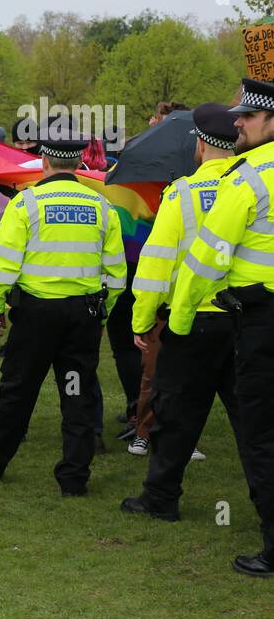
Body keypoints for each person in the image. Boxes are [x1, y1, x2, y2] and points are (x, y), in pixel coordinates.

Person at [0, 134, 126, 496]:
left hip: (36, 316)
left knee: (17, 390)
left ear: (44, 164)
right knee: (76, 393)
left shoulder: (26, 204)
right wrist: (102, 313)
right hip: (82, 315)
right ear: (80, 165)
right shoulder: (101, 206)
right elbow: (116, 272)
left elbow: (1, 264)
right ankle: (74, 476)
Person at [167, 77, 274, 577]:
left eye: (248, 117)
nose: (238, 123)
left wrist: (181, 318)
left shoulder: (247, 177)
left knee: (260, 433)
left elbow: (205, 260)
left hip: (259, 322)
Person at [121, 104, 238, 520]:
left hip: (192, 323)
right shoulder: (260, 186)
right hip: (249, 320)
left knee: (174, 414)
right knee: (255, 423)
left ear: (201, 144)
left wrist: (141, 321)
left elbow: (156, 263)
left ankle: (160, 498)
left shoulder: (183, 193)